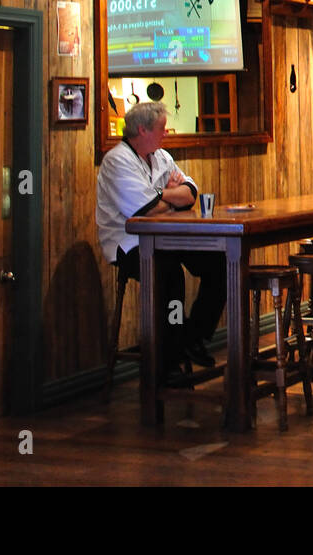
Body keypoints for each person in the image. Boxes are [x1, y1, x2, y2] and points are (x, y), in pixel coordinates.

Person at [96, 101, 225, 383]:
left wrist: (163, 197)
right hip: (129, 244)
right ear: (141, 130)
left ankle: (194, 337)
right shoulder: (118, 160)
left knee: (219, 262)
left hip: (167, 236)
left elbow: (191, 193)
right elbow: (145, 210)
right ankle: (167, 364)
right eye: (161, 129)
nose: (166, 134)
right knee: (169, 275)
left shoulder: (161, 157)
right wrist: (168, 198)